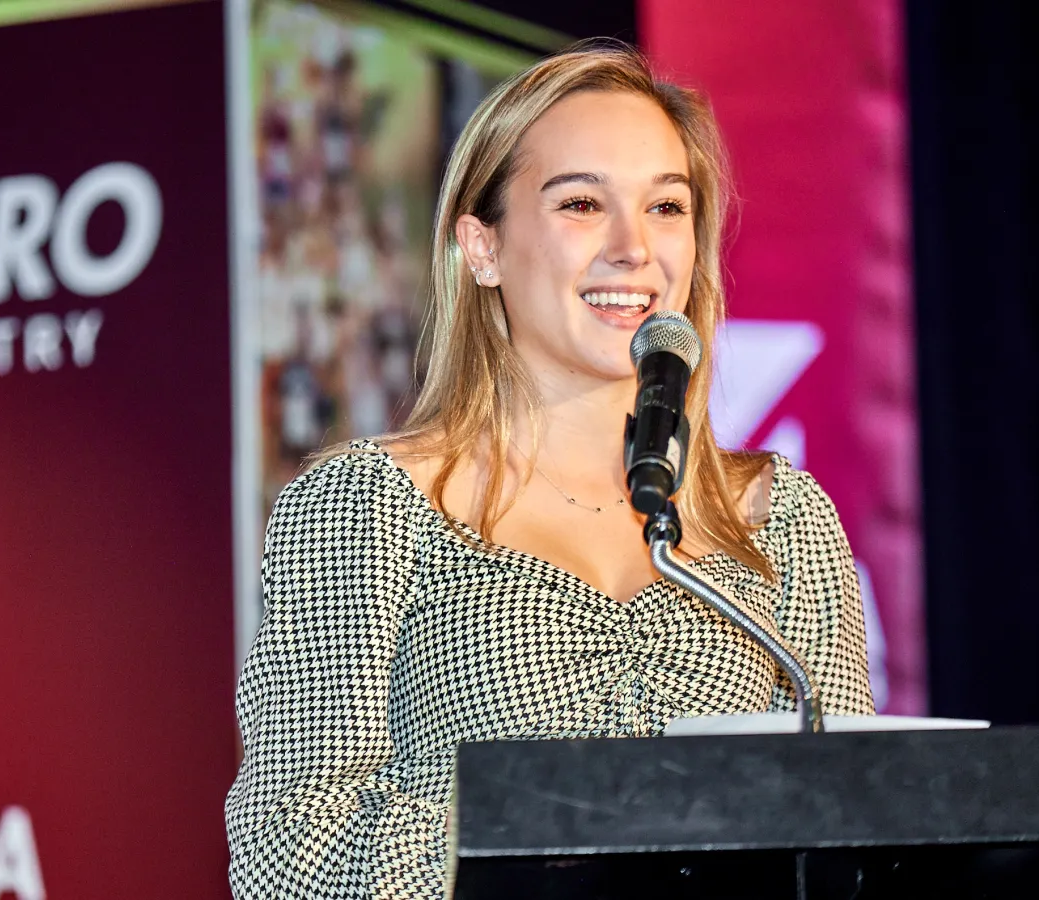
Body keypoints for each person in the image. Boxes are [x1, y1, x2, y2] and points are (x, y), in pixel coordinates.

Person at [225, 41, 876, 899]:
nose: (633, 250)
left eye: (667, 207)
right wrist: (572, 816)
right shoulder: (364, 507)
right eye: (580, 203)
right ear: (482, 248)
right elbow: (288, 854)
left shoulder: (778, 514)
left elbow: (869, 823)